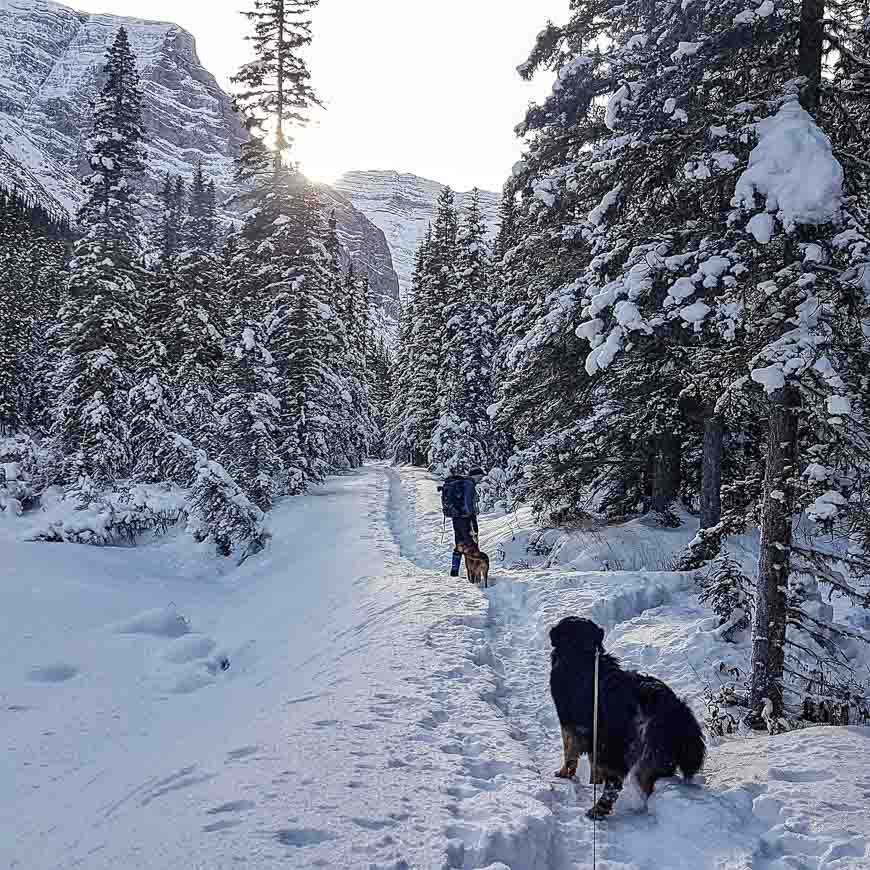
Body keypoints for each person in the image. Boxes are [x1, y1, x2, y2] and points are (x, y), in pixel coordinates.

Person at [446, 467, 485, 577]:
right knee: (471, 544)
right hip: (466, 519)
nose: (480, 480)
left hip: (456, 518)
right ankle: (474, 574)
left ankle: (454, 570)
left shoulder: (462, 484)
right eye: (480, 477)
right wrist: (471, 516)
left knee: (460, 543)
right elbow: (468, 502)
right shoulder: (469, 484)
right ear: (476, 476)